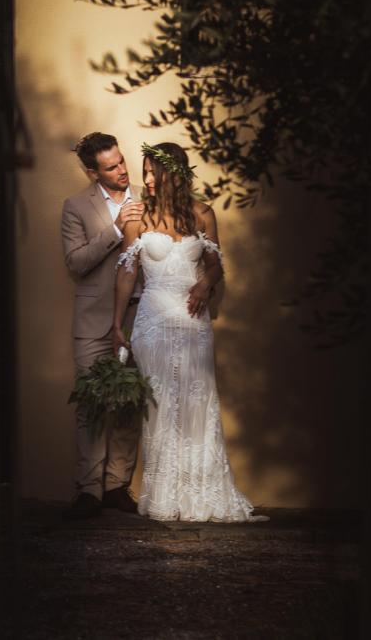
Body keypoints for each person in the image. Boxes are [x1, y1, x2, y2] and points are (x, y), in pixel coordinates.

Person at [110, 141, 261, 522]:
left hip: (194, 323)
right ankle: (164, 497)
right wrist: (116, 323)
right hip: (152, 323)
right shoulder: (137, 217)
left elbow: (215, 265)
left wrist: (204, 284)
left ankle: (201, 494)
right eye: (144, 171)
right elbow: (128, 272)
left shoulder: (203, 214)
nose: (146, 179)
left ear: (173, 173)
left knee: (197, 403)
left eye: (152, 171)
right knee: (159, 407)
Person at [59, 132, 146, 519]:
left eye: (122, 161)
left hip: (140, 315)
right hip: (93, 319)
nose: (123, 170)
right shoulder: (75, 206)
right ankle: (88, 491)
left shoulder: (149, 195)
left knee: (130, 402)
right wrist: (114, 230)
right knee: (91, 405)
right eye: (111, 167)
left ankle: (116, 486)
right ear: (93, 172)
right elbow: (76, 264)